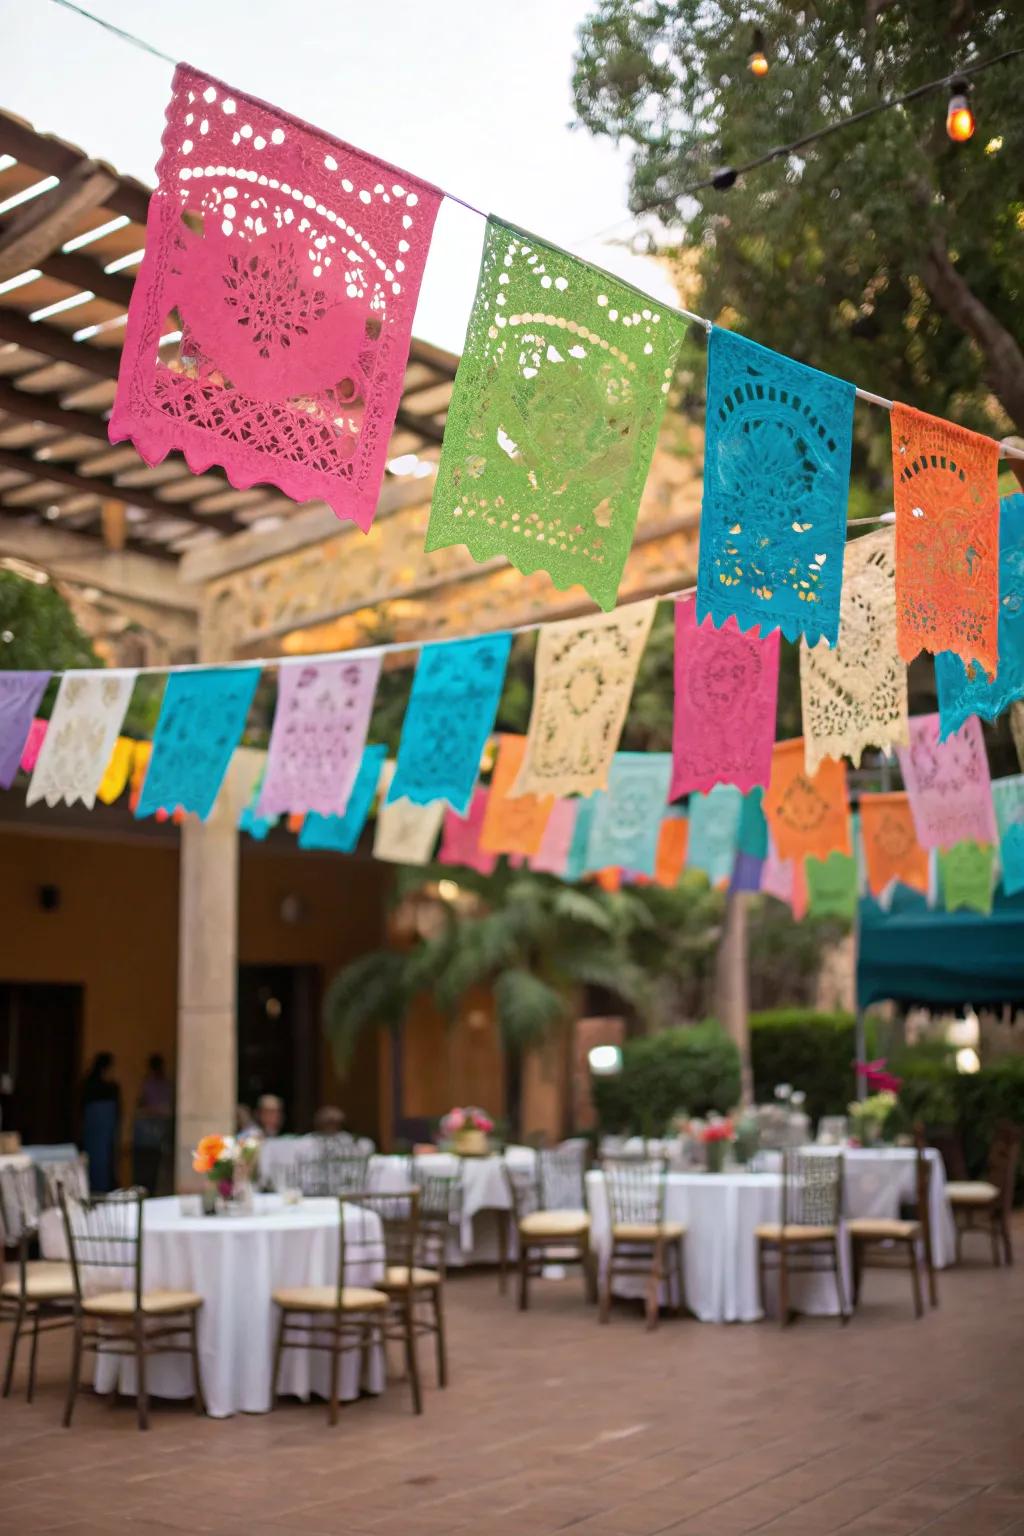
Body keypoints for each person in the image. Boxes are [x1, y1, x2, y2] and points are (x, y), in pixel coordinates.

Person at [131, 1053, 173, 1193]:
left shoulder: (154, 1084)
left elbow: (142, 1106)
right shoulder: (161, 1084)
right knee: (152, 1165)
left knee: (149, 1165)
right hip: (153, 1133)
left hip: (152, 1133)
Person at [80, 1052, 121, 1193]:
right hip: (98, 1128)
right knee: (99, 1160)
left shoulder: (106, 1085)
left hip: (101, 1129)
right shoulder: (100, 1086)